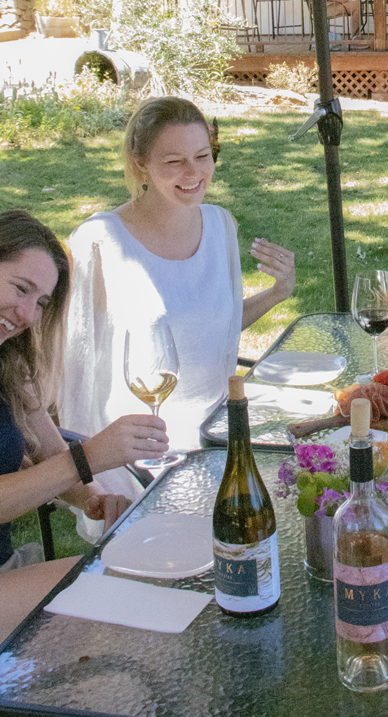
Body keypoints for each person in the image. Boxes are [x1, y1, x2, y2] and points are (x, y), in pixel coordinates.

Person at [60, 96, 295, 500]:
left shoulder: (220, 224)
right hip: (138, 458)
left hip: (219, 438)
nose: (193, 173)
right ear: (140, 163)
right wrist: (91, 482)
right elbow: (74, 367)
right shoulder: (100, 241)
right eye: (174, 161)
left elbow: (214, 326)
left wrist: (278, 293)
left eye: (203, 156)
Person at [0, 209, 168, 642]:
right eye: (20, 289)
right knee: (115, 605)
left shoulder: (8, 361)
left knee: (141, 589)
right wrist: (89, 457)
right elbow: (72, 459)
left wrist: (94, 498)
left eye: (40, 302)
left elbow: (50, 452)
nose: (26, 315)